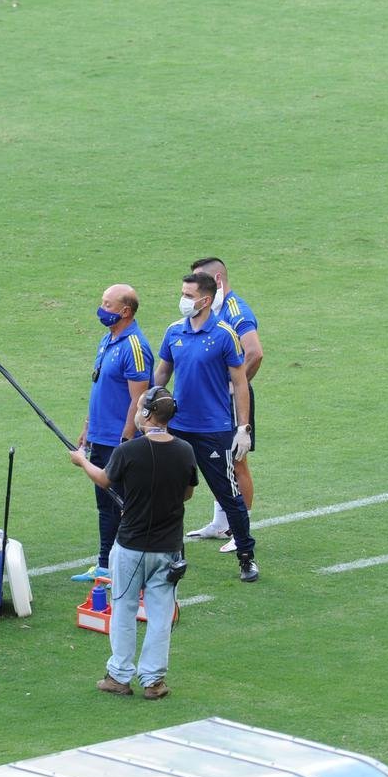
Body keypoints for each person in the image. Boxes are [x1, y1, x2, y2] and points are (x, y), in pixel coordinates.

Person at [69, 386, 197, 700]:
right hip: (168, 549)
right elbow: (187, 494)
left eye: (140, 408)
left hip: (131, 547)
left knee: (124, 610)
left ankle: (119, 675)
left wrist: (82, 462)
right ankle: (153, 681)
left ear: (149, 414)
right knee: (160, 615)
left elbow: (104, 479)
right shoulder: (185, 451)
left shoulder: (128, 452)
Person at [153, 272, 259, 582]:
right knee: (171, 495)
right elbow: (161, 375)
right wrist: (148, 407)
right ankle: (176, 556)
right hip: (178, 428)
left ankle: (246, 556)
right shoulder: (174, 332)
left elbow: (240, 383)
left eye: (189, 294)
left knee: (229, 495)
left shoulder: (225, 334)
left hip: (213, 430)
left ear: (206, 299)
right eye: (183, 292)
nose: (183, 299)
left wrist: (243, 428)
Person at [71, 284, 153, 583]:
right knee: (105, 504)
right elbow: (99, 388)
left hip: (119, 440)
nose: (101, 309)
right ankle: (106, 564)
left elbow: (139, 399)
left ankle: (126, 566)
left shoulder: (134, 346)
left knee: (122, 505)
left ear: (125, 311)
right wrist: (87, 427)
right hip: (101, 437)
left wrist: (127, 440)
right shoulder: (108, 340)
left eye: (107, 304)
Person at [187, 257, 265, 552]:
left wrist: (234, 387)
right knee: (218, 458)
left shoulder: (235, 310)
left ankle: (239, 527)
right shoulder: (213, 309)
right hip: (212, 399)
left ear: (216, 280)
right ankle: (221, 522)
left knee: (237, 459)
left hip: (229, 399)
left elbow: (255, 352)